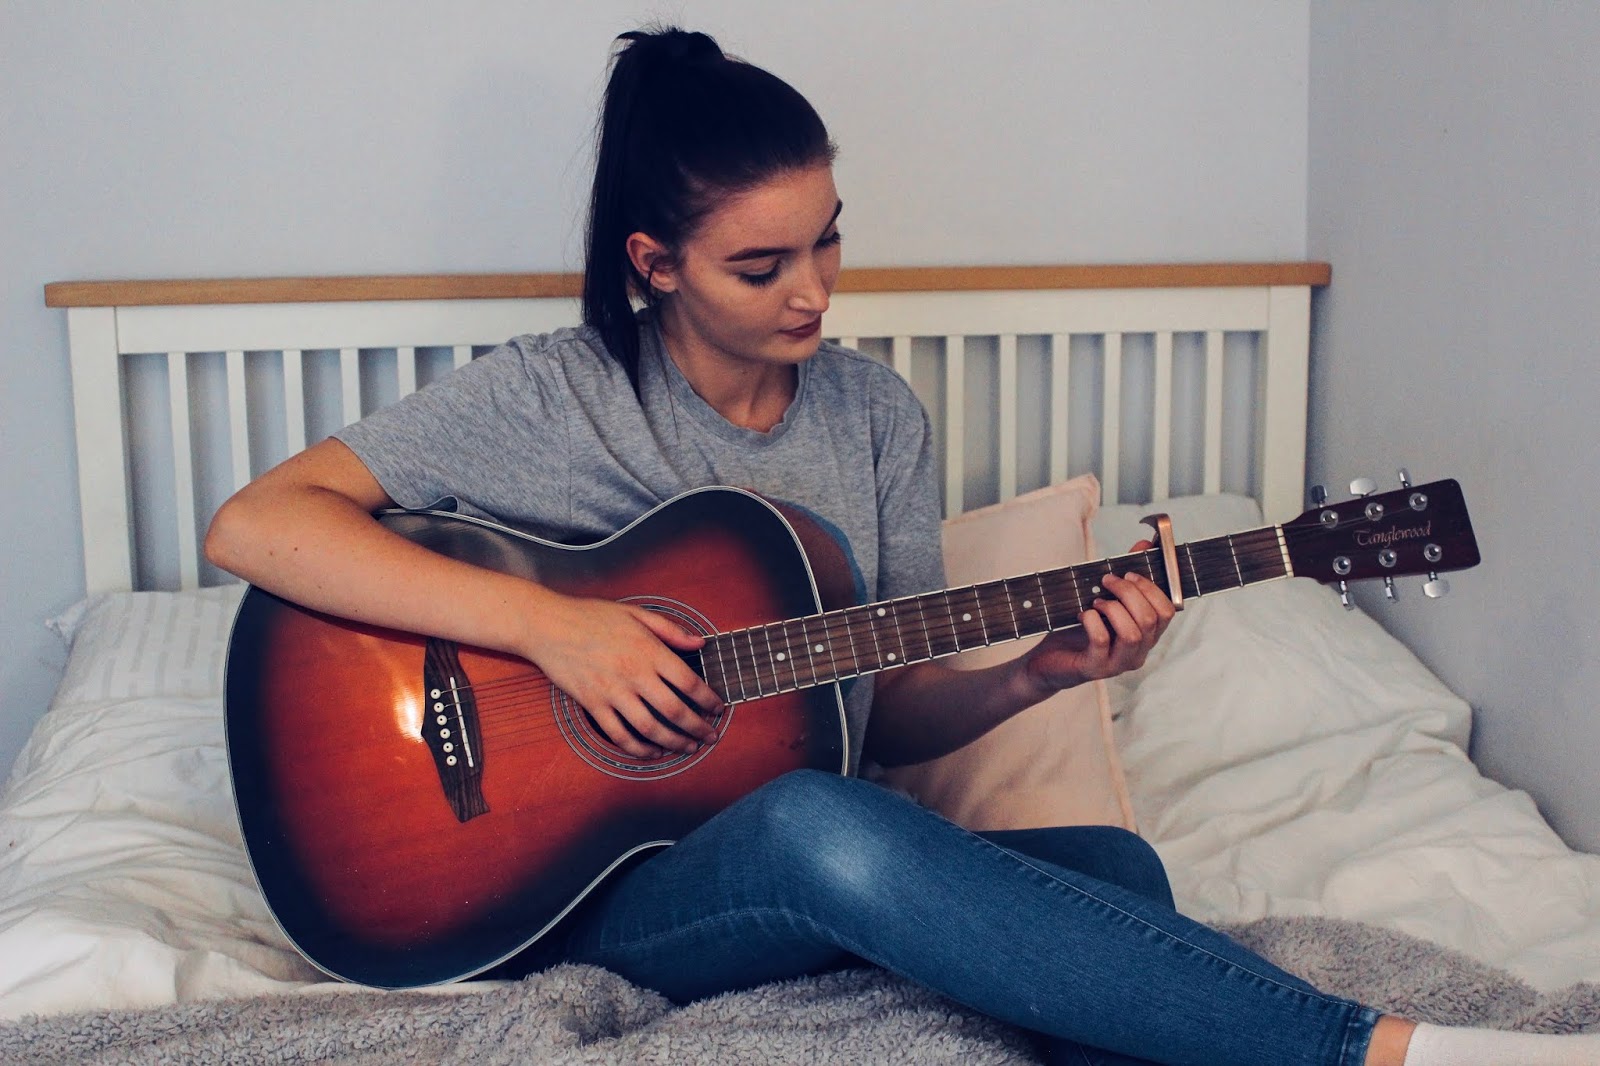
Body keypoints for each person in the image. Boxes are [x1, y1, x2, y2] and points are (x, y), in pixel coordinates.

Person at [205, 26, 1598, 1066]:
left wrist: (1042, 672)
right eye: (762, 266)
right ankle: (1382, 1049)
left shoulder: (874, 417)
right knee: (819, 822)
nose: (814, 292)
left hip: (797, 854)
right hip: (568, 892)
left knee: (1121, 877)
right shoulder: (553, 398)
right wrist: (557, 631)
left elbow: (884, 710)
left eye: (828, 242)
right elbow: (255, 522)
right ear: (654, 264)